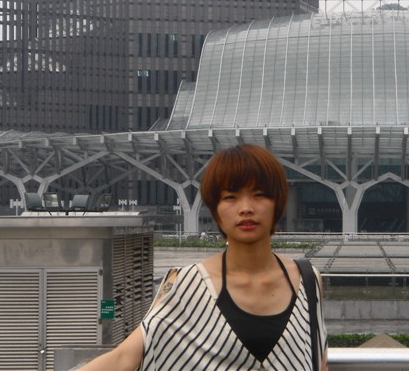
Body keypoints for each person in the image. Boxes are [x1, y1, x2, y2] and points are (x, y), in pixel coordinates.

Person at [79, 144, 328, 370]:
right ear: (216, 210)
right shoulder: (185, 283)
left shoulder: (307, 280)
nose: (246, 208)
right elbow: (126, 356)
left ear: (278, 203)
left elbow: (318, 362)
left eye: (259, 194)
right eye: (231, 197)